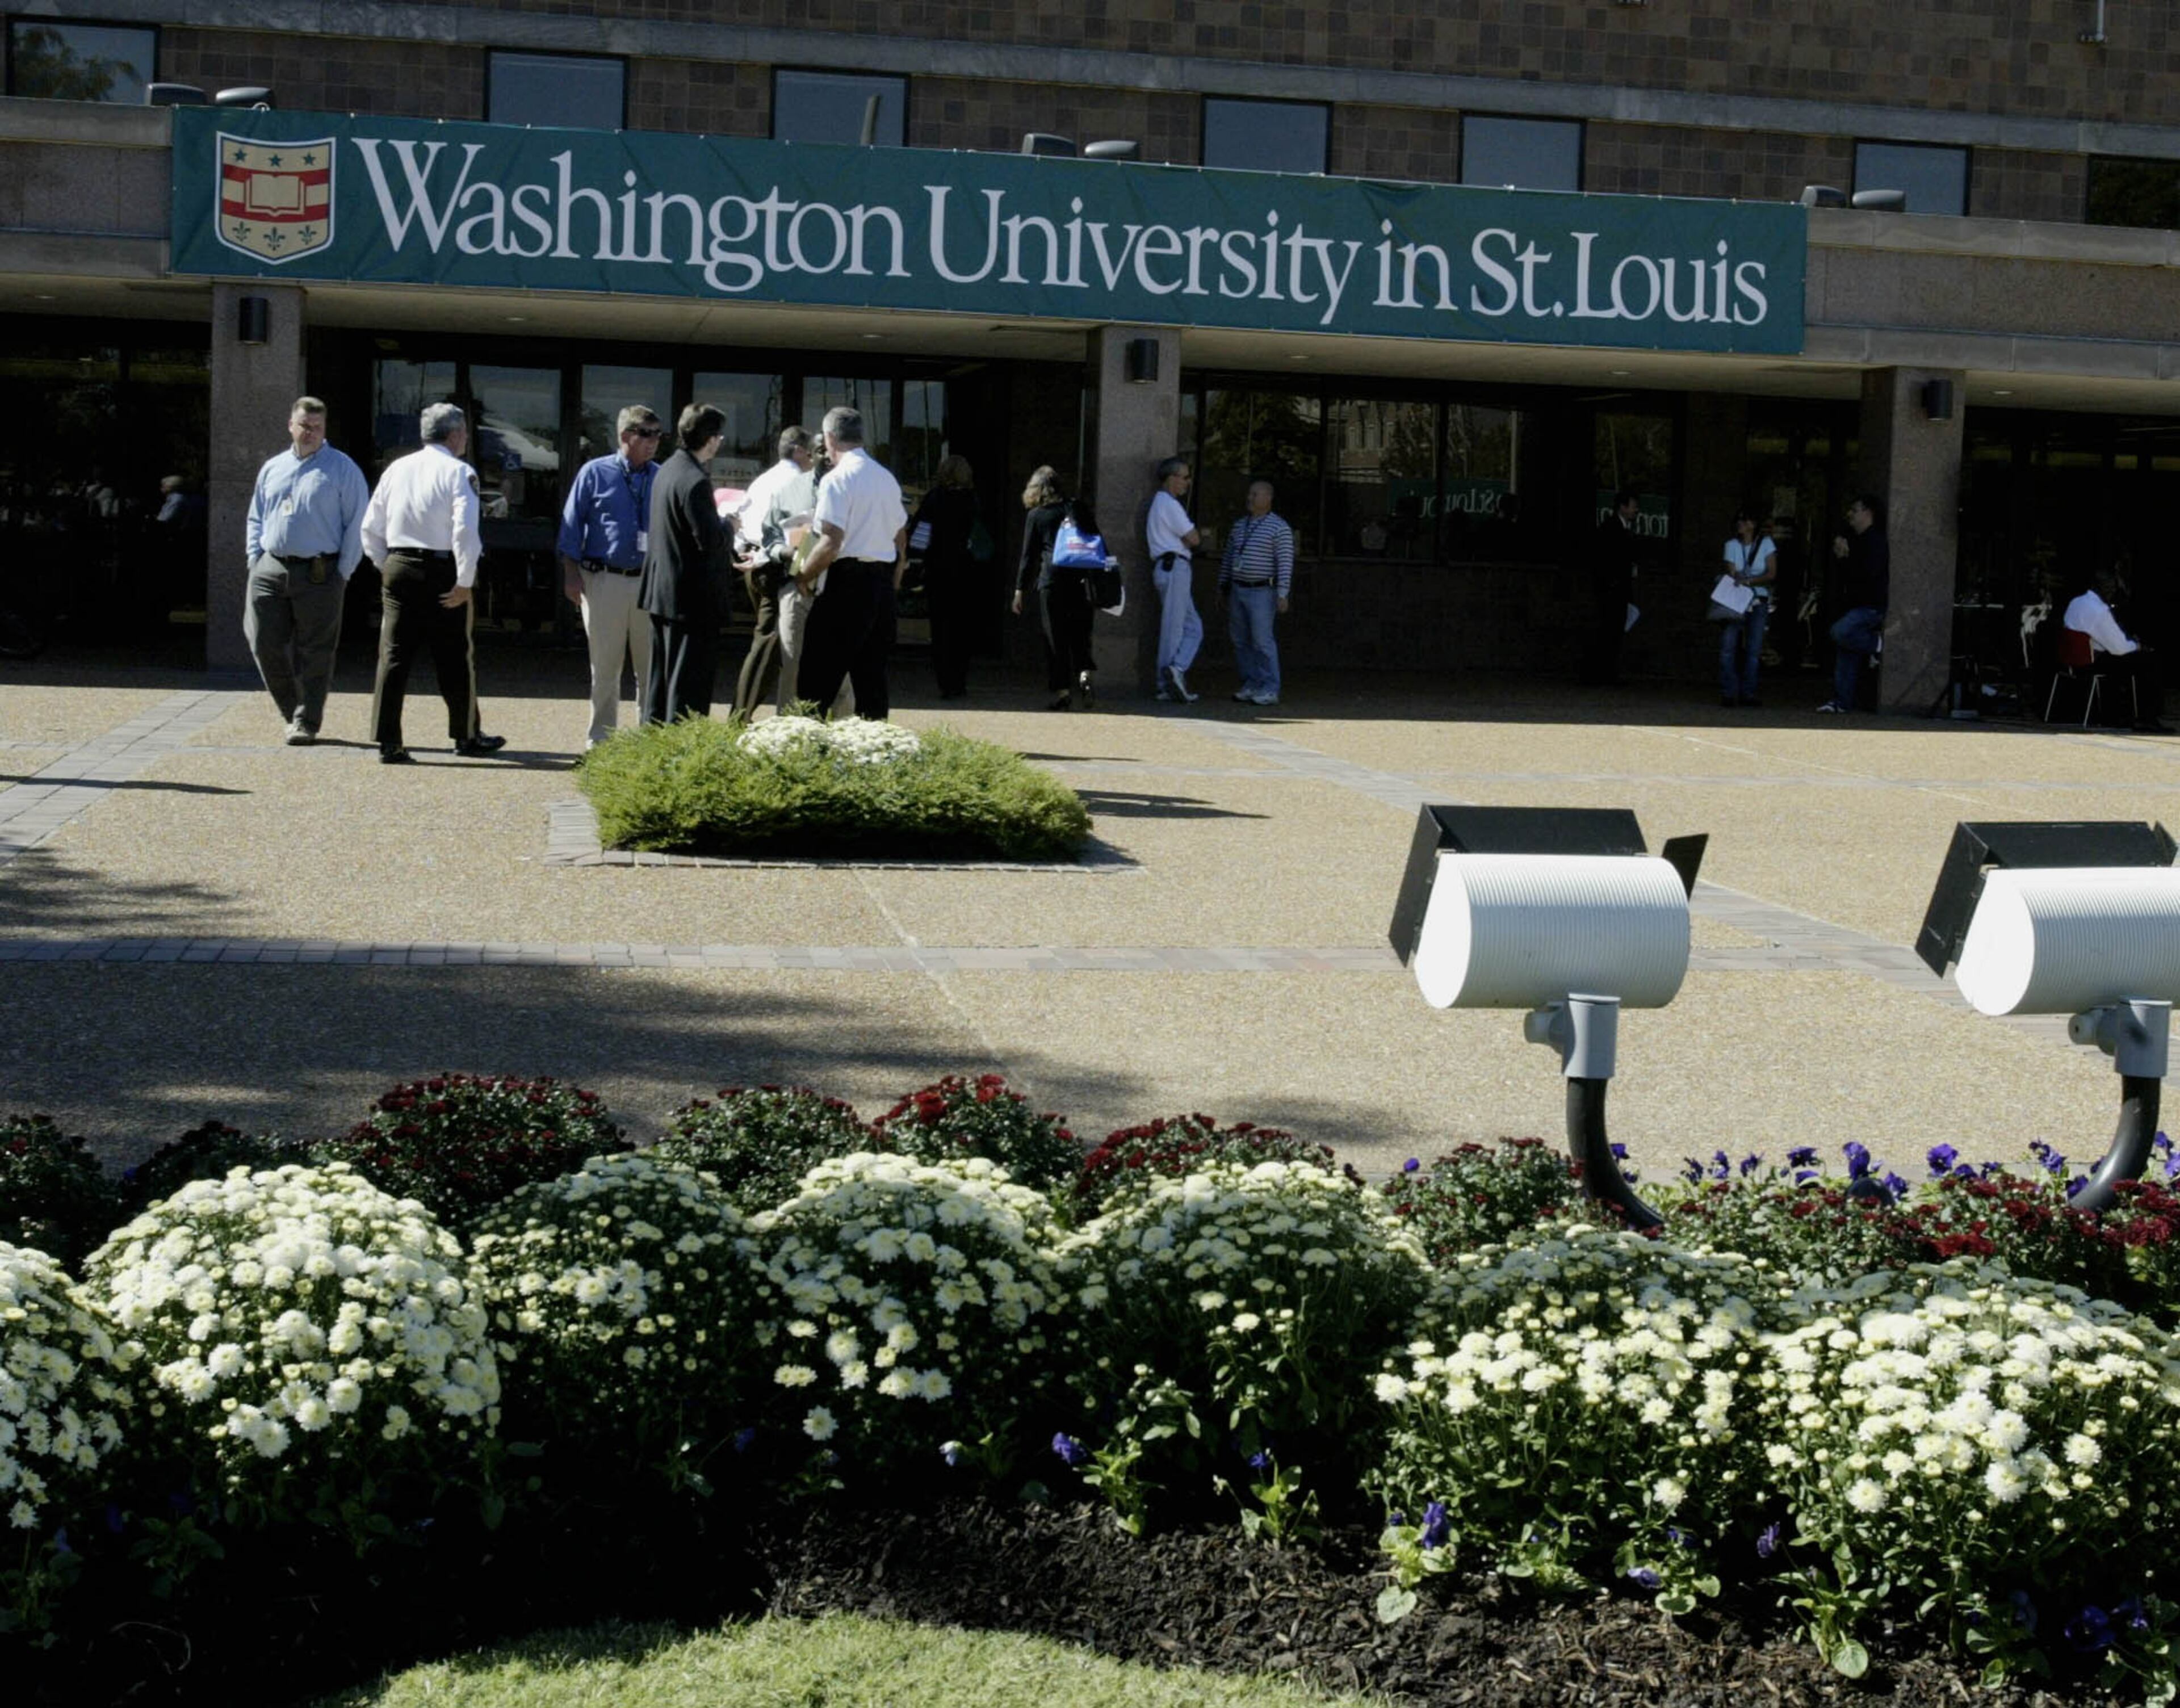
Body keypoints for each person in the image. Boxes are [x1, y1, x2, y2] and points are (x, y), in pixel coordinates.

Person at [361, 402, 505, 765]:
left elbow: (371, 526)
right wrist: (465, 580)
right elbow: (465, 530)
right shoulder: (459, 472)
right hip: (441, 569)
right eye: (466, 433)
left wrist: (385, 565)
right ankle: (465, 735)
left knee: (393, 656)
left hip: (399, 564)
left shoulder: (396, 468)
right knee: (455, 656)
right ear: (455, 434)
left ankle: (388, 741)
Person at [243, 396, 368, 745]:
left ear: (324, 429)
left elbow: (358, 523)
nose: (310, 432)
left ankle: (307, 721)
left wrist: (342, 572)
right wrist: (255, 558)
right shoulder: (273, 467)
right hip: (270, 567)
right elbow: (257, 515)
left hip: (320, 571)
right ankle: (291, 709)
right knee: (262, 641)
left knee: (315, 651)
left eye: (317, 427)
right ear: (291, 425)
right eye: (304, 426)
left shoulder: (342, 469)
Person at [557, 404, 663, 748]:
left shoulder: (661, 477)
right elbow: (571, 527)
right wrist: (571, 575)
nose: (654, 442)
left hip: (649, 583)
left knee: (650, 669)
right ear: (625, 436)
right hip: (604, 581)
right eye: (647, 435)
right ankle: (600, 741)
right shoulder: (594, 473)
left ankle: (650, 742)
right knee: (605, 668)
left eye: (658, 435)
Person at [794, 405, 908, 721]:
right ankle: (873, 755)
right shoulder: (886, 478)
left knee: (816, 681)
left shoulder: (837, 479)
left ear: (830, 438)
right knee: (872, 681)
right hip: (881, 584)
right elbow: (901, 535)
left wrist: (802, 575)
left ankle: (806, 755)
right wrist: (895, 578)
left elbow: (831, 541)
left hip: (847, 584)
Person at [638, 402, 736, 724]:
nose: (720, 443)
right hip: (691, 600)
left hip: (662, 593)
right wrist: (730, 527)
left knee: (661, 683)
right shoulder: (695, 480)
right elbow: (709, 540)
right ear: (710, 440)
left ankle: (653, 750)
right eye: (719, 437)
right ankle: (678, 759)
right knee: (688, 689)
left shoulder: (667, 469)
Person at [730, 426, 817, 718]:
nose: (814, 459)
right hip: (778, 566)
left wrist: (743, 550)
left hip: (754, 561)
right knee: (771, 644)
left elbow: (742, 521)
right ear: (800, 451)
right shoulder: (798, 484)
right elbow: (801, 533)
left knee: (772, 643)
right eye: (811, 452)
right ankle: (739, 717)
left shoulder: (762, 480)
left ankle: (744, 715)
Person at [1011, 465, 1098, 710]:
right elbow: (1096, 539)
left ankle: (1062, 692)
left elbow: (1028, 556)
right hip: (1080, 580)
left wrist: (1020, 589)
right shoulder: (1077, 508)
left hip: (1051, 580)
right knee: (1080, 633)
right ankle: (1084, 673)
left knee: (1055, 637)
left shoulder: (1038, 515)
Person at [2063, 566, 2170, 732]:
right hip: (2090, 664)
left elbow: (2091, 637)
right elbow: (2120, 649)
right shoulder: (2099, 610)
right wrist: (2137, 646)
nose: (2113, 591)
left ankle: (2118, 713)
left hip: (2073, 661)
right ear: (2106, 588)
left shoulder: (2076, 602)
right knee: (2150, 661)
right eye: (2112, 587)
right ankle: (2147, 717)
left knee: (2131, 659)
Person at [911, 454, 983, 699]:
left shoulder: (934, 498)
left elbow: (919, 534)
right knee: (963, 628)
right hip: (967, 571)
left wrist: (915, 557)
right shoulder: (972, 500)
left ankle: (946, 684)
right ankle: (960, 682)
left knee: (941, 629)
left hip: (938, 569)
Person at [1219, 478, 1294, 706]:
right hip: (1238, 589)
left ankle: (1271, 688)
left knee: (1262, 641)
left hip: (1263, 591)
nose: (1249, 499)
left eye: (1255, 495)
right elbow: (1229, 557)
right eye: (1249, 495)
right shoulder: (1240, 526)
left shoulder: (1279, 528)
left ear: (1268, 498)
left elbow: (1285, 562)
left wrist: (1283, 593)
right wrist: (1223, 586)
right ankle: (1251, 683)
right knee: (1241, 640)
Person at [1818, 494, 1888, 714]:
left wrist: (1846, 557)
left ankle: (1877, 644)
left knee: (1841, 633)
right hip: (1854, 604)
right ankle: (1842, 701)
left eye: (1855, 510)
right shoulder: (1855, 537)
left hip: (1870, 606)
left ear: (1868, 513)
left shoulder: (1875, 541)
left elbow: (1866, 574)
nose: (1851, 514)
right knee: (1846, 650)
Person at [1147, 456, 1202, 703]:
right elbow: (1194, 538)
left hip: (1172, 566)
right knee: (1177, 629)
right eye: (1185, 477)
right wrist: (1186, 540)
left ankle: (1174, 672)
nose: (1187, 482)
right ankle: (1168, 680)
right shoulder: (1168, 504)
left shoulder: (1163, 504)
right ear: (1172, 478)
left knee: (1192, 627)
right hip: (1174, 567)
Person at [1718, 509, 1776, 708]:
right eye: (1738, 520)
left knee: (1754, 649)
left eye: (1744, 520)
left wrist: (1749, 581)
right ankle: (1729, 692)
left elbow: (1772, 573)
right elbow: (1732, 573)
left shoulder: (1767, 544)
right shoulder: (1731, 545)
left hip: (1758, 599)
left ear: (1754, 524)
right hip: (1737, 600)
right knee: (1728, 647)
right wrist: (1745, 581)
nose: (1740, 524)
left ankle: (1748, 693)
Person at [1582, 490, 1641, 686]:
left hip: (1618, 589)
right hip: (1612, 590)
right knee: (1609, 631)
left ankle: (1606, 672)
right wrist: (1613, 582)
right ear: (1622, 507)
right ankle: (1603, 673)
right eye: (1633, 506)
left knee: (1614, 632)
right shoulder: (1611, 529)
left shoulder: (1623, 528)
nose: (1636, 510)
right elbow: (1605, 559)